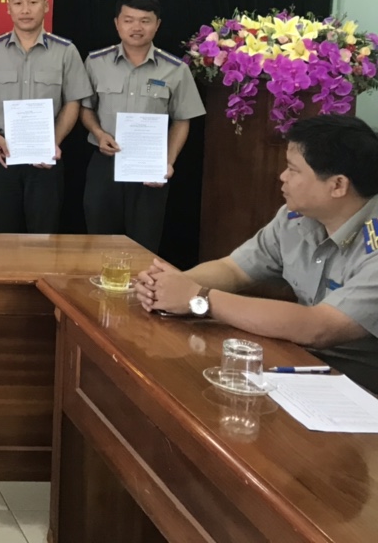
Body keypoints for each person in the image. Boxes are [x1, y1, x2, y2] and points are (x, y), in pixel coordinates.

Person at [136, 115, 378, 393]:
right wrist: (166, 287)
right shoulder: (296, 218)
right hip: (300, 366)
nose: (282, 176)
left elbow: (319, 327)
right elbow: (234, 270)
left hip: (360, 391)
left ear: (338, 185)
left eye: (293, 170)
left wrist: (197, 298)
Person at [80, 0, 206, 251]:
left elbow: (182, 120)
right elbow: (85, 108)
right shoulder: (95, 62)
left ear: (157, 25)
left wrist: (167, 161)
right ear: (117, 24)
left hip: (149, 169)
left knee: (144, 246)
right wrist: (98, 133)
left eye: (145, 21)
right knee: (99, 243)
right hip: (105, 164)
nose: (136, 27)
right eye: (129, 20)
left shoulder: (175, 69)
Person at [0, 0, 92, 234]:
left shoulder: (66, 51)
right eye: (18, 3)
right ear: (8, 8)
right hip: (2, 154)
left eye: (33, 2)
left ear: (46, 5)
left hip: (46, 158)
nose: (25, 10)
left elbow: (73, 101)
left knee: (43, 235)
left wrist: (53, 142)